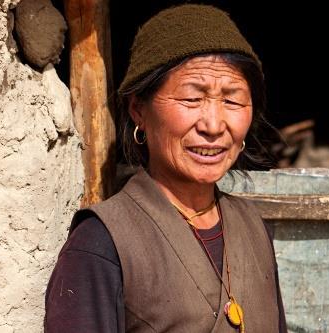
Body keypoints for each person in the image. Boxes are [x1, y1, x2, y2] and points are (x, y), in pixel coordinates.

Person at [45, 4, 287, 332]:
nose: (214, 125)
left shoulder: (252, 228)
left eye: (232, 101)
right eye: (192, 99)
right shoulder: (102, 243)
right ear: (139, 110)